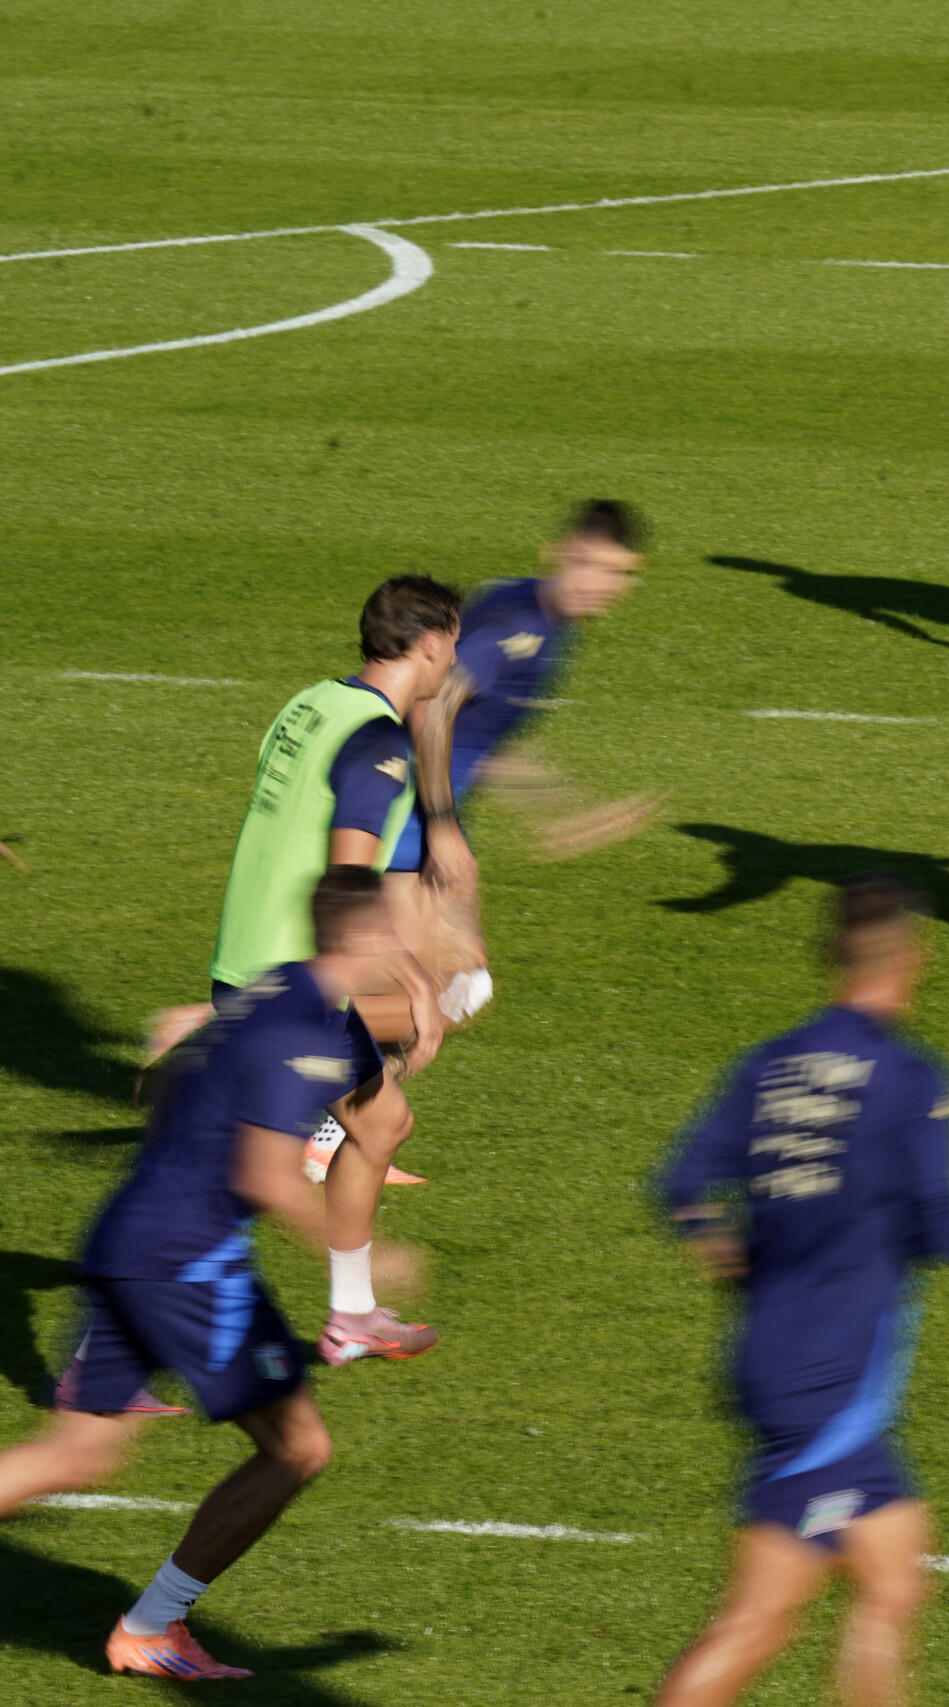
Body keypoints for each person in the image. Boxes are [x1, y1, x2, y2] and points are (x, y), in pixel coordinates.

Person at [0, 869, 429, 1679]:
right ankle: (152, 1625)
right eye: (398, 935)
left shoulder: (280, 993)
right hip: (187, 1263)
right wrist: (377, 1256)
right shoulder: (299, 1030)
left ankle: (150, 1628)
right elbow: (269, 1173)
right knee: (296, 1449)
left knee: (73, 1455)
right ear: (364, 937)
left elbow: (165, 1078)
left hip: (128, 1236)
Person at [655, 873, 949, 1707]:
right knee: (761, 1619)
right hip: (830, 1381)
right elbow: (941, 1233)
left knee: (893, 1583)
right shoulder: (911, 1080)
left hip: (775, 1353)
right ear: (914, 957)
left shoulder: (770, 1063)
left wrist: (721, 1248)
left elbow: (683, 1183)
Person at [185, 574, 461, 1364]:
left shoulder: (308, 703)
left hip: (246, 953)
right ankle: (120, 1321)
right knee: (236, 1171)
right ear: (432, 642)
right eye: (455, 643)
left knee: (378, 1121)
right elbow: (349, 879)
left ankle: (352, 1315)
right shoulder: (380, 741)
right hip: (290, 973)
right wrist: (413, 982)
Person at [389, 499, 655, 1013]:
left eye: (615, 573)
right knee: (425, 998)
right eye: (587, 564)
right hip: (398, 809)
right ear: (557, 552)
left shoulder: (535, 613)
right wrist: (442, 830)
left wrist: (561, 808)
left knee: (446, 994)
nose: (598, 584)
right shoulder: (521, 628)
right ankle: (229, 1036)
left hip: (422, 806)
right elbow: (430, 711)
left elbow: (480, 736)